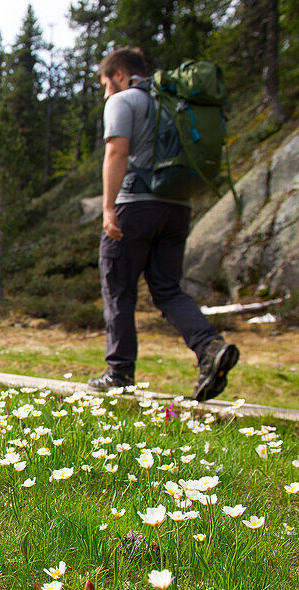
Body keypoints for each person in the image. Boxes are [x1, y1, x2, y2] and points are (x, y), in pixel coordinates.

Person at [88, 47, 239, 402]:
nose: (105, 91)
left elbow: (117, 153)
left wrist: (108, 209)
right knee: (168, 289)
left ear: (120, 75)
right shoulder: (171, 102)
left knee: (118, 286)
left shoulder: (123, 102)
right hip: (177, 207)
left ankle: (120, 373)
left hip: (136, 206)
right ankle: (209, 347)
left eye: (105, 83)